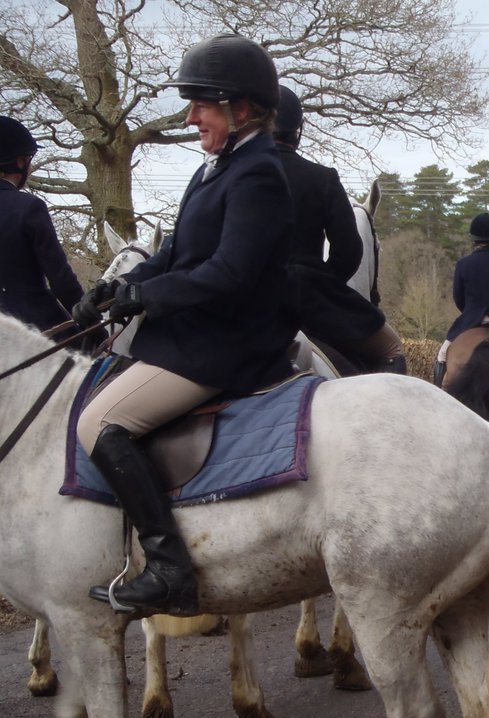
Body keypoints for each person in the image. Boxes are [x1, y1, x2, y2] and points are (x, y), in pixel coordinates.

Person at [69, 34, 297, 616]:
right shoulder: (214, 169)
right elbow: (176, 253)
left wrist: (148, 297)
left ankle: (170, 568)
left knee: (99, 422)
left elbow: (229, 271)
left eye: (202, 104)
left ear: (241, 108)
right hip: (195, 332)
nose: (191, 115)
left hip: (228, 344)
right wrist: (118, 287)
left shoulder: (258, 174)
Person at [271, 86, 405, 374]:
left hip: (246, 298)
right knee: (392, 348)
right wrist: (322, 282)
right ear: (298, 129)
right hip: (310, 299)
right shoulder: (322, 178)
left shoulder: (231, 175)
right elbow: (349, 251)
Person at [0, 115, 85, 334]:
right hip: (33, 331)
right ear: (19, 162)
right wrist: (94, 327)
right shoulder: (28, 207)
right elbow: (62, 281)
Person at [433, 212, 489, 387]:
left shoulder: (464, 264)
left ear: (473, 238)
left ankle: (440, 395)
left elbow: (458, 297)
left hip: (471, 319)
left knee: (442, 355)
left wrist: (470, 311)